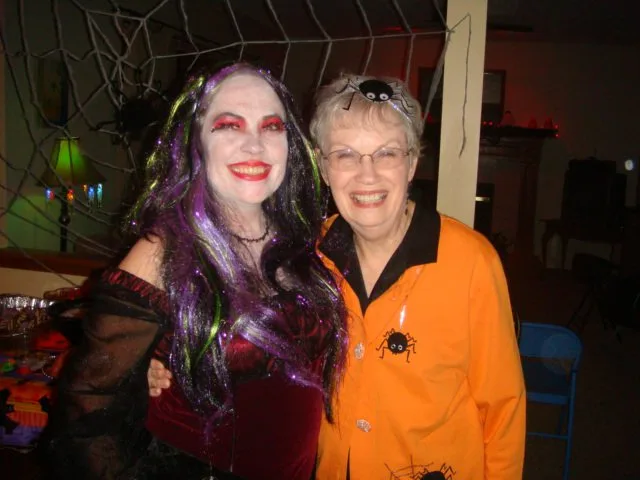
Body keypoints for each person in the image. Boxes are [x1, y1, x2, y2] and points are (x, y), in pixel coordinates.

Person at [149, 73, 526, 479]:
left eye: (386, 154)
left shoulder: (470, 261)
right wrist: (163, 359)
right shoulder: (305, 258)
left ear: (412, 163)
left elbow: (503, 407)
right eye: (346, 155)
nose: (367, 175)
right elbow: (245, 338)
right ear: (324, 167)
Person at [44, 63, 347, 480]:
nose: (254, 145)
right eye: (229, 125)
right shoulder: (163, 250)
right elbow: (87, 405)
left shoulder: (301, 242)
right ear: (195, 143)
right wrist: (137, 383)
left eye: (272, 126)